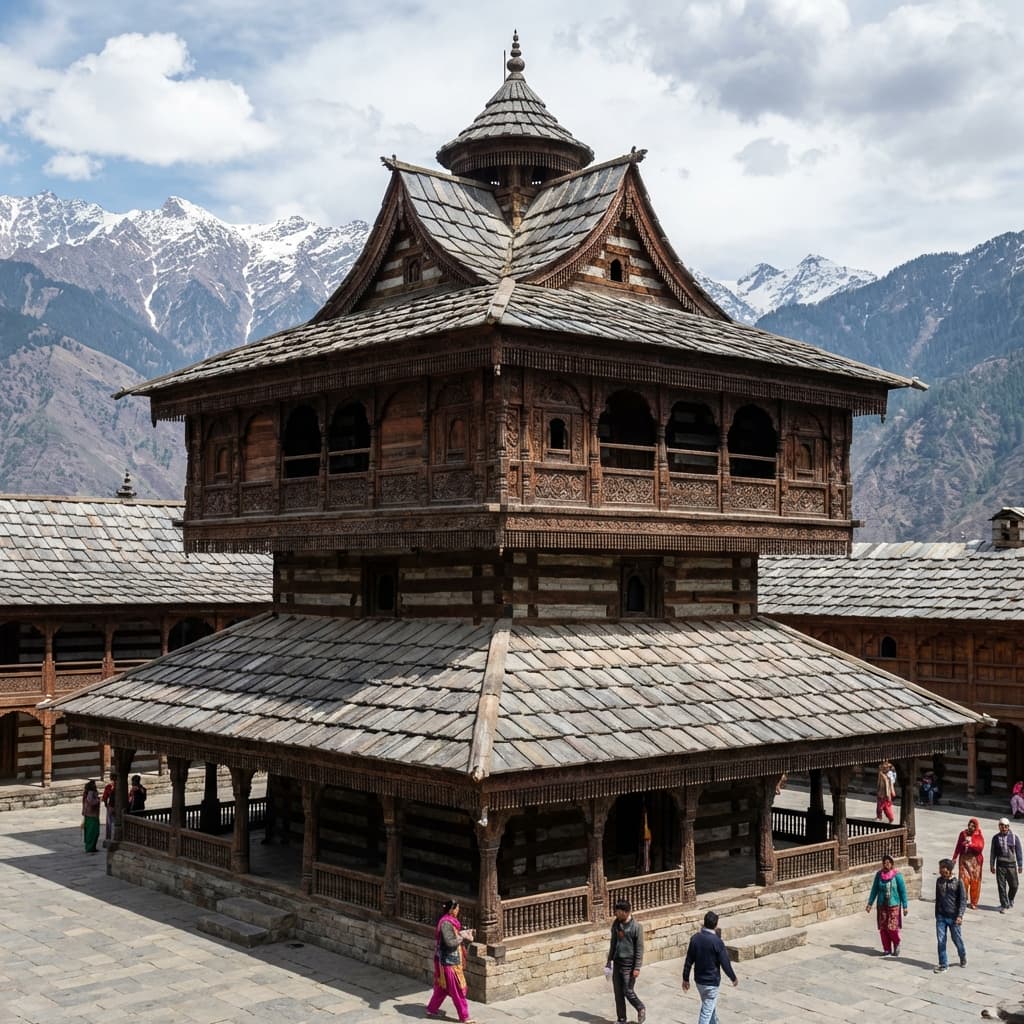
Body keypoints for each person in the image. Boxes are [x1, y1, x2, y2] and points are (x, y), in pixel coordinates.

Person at [682, 910, 738, 1024]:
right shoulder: (717, 942)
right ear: (716, 925)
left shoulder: (695, 939)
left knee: (709, 1006)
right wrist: (733, 977)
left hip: (699, 981)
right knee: (706, 1012)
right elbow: (725, 963)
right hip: (711, 982)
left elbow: (688, 961)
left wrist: (685, 978)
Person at [425, 899, 475, 1023]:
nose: (458, 911)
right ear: (451, 909)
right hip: (448, 962)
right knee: (457, 989)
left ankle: (431, 1009)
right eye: (457, 908)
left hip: (448, 960)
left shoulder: (451, 922)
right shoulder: (446, 924)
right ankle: (464, 1016)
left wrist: (462, 934)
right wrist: (462, 936)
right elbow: (450, 943)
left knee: (443, 988)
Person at [606, 898, 645, 1024]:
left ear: (625, 912)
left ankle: (640, 1007)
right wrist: (609, 960)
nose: (615, 914)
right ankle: (621, 1019)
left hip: (629, 964)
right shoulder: (616, 924)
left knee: (627, 990)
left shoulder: (636, 927)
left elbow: (639, 949)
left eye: (617, 912)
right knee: (618, 992)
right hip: (617, 962)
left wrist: (637, 967)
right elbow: (613, 943)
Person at [865, 853, 909, 955]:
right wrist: (870, 904)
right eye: (885, 863)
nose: (886, 864)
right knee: (883, 927)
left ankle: (897, 942)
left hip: (894, 904)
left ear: (892, 864)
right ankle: (887, 948)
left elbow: (902, 891)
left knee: (892, 927)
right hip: (882, 905)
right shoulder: (879, 875)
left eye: (888, 862)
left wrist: (905, 906)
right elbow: (874, 890)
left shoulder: (897, 875)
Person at [932, 858, 967, 973]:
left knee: (956, 939)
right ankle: (943, 963)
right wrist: (937, 914)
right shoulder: (939, 881)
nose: (940, 870)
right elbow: (938, 899)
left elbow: (963, 901)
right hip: (941, 916)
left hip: (953, 916)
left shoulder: (958, 882)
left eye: (942, 867)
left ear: (948, 869)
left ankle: (962, 956)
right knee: (941, 940)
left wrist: (960, 916)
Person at [989, 817, 1023, 913]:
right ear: (999, 827)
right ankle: (1004, 904)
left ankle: (1010, 899)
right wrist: (992, 864)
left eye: (1005, 826)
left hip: (1011, 864)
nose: (1003, 828)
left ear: (1008, 827)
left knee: (1014, 885)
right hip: (1000, 864)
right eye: (1001, 826)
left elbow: (1019, 851)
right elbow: (993, 852)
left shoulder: (1014, 837)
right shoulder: (995, 838)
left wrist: (1020, 865)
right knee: (1001, 886)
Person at [951, 817, 985, 909]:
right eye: (969, 825)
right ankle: (962, 900)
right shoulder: (963, 834)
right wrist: (954, 857)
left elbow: (980, 847)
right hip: (964, 861)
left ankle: (974, 902)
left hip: (975, 863)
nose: (971, 827)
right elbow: (958, 846)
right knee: (963, 881)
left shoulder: (979, 835)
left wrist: (971, 845)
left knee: (975, 882)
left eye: (973, 826)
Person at [81, 780, 101, 853]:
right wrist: (98, 800)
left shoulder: (87, 793)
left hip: (88, 814)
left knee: (90, 832)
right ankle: (90, 847)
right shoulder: (91, 793)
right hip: (92, 815)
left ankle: (91, 847)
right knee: (93, 832)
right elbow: (91, 802)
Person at [101, 773, 116, 842]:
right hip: (111, 806)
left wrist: (106, 804)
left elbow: (104, 797)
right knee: (110, 823)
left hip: (113, 806)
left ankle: (111, 837)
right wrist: (106, 805)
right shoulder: (108, 787)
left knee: (111, 823)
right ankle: (109, 837)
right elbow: (105, 797)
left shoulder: (112, 786)